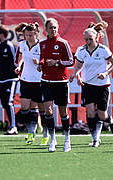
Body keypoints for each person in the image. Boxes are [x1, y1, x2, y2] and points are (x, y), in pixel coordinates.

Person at [69, 21, 113, 147]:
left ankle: (109, 120)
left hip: (102, 86)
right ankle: (95, 138)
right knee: (90, 112)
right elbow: (78, 65)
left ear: (96, 38)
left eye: (90, 39)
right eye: (86, 39)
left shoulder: (103, 50)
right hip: (88, 85)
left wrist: (106, 73)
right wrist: (74, 74)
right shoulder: (81, 50)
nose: (88, 42)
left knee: (102, 115)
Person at [37, 18, 74, 152]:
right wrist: (40, 65)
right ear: (45, 29)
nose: (53, 30)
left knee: (63, 112)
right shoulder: (42, 44)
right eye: (50, 27)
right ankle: (52, 140)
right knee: (48, 110)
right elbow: (42, 58)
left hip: (61, 82)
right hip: (46, 81)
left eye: (55, 27)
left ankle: (67, 140)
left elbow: (71, 61)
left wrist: (57, 62)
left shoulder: (63, 43)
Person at [14, 22, 49, 145]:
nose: (28, 37)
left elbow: (46, 61)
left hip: (39, 81)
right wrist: (19, 66)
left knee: (40, 109)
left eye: (31, 35)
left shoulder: (42, 46)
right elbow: (21, 57)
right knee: (24, 107)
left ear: (37, 34)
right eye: (26, 35)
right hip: (25, 80)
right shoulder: (22, 45)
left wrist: (39, 62)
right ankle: (32, 131)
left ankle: (42, 134)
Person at [0, 25, 19, 135]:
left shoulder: (9, 45)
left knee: (9, 102)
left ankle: (14, 126)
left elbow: (15, 61)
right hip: (2, 80)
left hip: (11, 79)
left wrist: (16, 72)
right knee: (4, 103)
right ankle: (11, 124)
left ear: (2, 34)